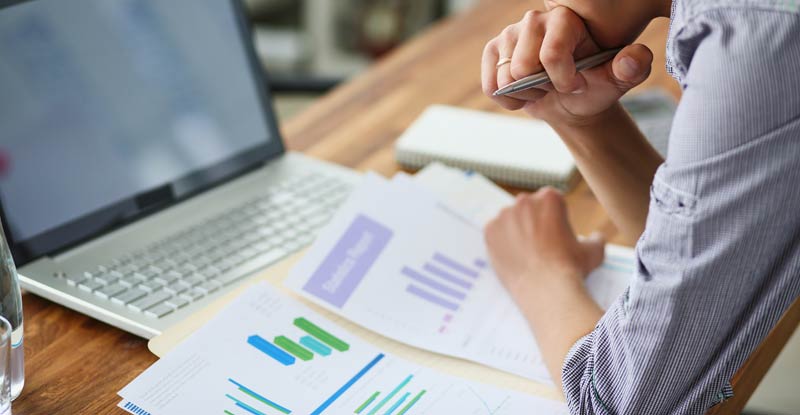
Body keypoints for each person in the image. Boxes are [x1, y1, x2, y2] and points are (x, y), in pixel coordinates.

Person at [480, 0, 800, 413]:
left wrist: (537, 273)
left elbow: (625, 402)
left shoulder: (750, 38)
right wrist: (584, 124)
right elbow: (711, 259)